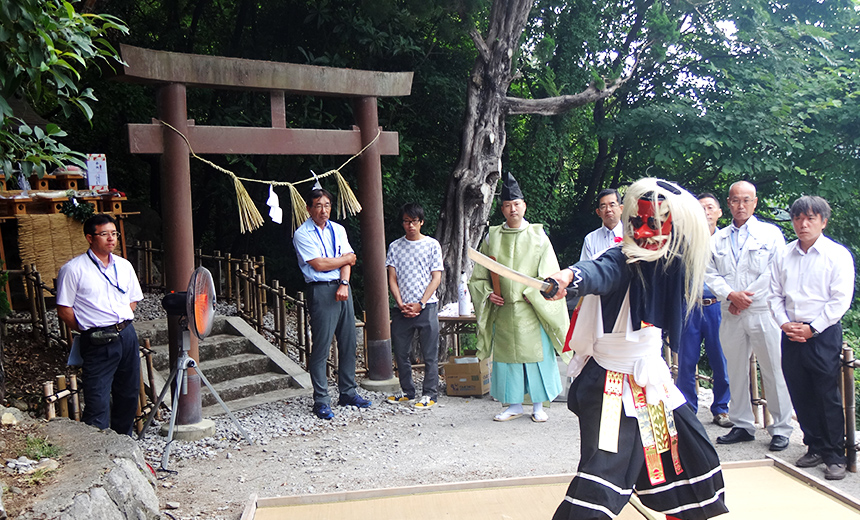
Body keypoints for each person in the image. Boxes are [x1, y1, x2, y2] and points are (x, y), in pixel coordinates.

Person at [546, 178, 727, 520]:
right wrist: (570, 278)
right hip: (610, 384)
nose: (644, 230)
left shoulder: (672, 259)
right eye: (637, 222)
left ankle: (682, 512)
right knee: (606, 467)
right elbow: (598, 270)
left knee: (686, 447)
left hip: (650, 380)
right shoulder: (621, 257)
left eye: (655, 223)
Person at [468, 172, 570, 423]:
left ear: (524, 206)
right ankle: (513, 405)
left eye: (516, 204)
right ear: (501, 209)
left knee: (536, 357)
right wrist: (489, 294)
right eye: (507, 205)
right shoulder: (492, 237)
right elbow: (478, 277)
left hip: (531, 308)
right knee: (506, 359)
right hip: (503, 310)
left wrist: (536, 293)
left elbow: (550, 276)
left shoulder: (538, 236)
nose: (512, 209)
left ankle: (538, 405)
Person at [769, 195, 855, 480]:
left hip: (822, 332)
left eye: (810, 218)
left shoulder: (837, 254)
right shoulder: (784, 254)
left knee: (826, 393)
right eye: (797, 218)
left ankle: (834, 454)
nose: (803, 224)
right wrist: (784, 324)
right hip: (790, 330)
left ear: (823, 221)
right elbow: (773, 294)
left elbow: (840, 299)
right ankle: (814, 444)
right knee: (799, 390)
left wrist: (813, 328)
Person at [704, 180, 793, 451]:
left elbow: (774, 272)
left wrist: (743, 298)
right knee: (735, 368)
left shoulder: (770, 234)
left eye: (746, 200)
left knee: (773, 368)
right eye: (735, 200)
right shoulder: (716, 239)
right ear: (728, 203)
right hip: (729, 310)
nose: (740, 205)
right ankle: (742, 423)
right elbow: (708, 272)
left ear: (755, 202)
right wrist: (731, 295)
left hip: (762, 310)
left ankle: (780, 427)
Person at [56, 214, 143, 436]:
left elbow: (132, 300)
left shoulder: (124, 266)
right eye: (104, 234)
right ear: (90, 237)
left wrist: (120, 321)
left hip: (126, 334)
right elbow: (65, 310)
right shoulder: (74, 269)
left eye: (114, 234)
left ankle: (125, 444)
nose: (111, 239)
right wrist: (89, 328)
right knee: (97, 397)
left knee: (128, 393)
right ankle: (99, 454)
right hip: (97, 339)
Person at [293, 185, 371, 420]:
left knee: (348, 343)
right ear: (308, 208)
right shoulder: (302, 233)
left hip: (341, 288)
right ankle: (321, 400)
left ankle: (347, 392)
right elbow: (318, 264)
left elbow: (349, 261)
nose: (323, 210)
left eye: (327, 205)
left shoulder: (338, 229)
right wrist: (343, 260)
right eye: (318, 205)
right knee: (321, 346)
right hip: (320, 290)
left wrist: (345, 284)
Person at [675, 193, 732, 428]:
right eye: (701, 208)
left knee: (721, 358)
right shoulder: (685, 241)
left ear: (719, 212)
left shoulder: (728, 241)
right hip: (690, 305)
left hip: (717, 305)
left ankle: (721, 408)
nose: (706, 212)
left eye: (710, 207)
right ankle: (688, 408)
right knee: (686, 360)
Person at [385, 203, 444, 409]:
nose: (410, 225)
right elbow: (392, 278)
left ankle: (430, 393)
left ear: (422, 222)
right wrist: (400, 303)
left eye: (414, 221)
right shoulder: (394, 246)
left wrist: (421, 303)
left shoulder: (432, 245)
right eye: (406, 221)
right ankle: (407, 391)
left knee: (430, 353)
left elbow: (436, 277)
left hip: (426, 306)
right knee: (401, 352)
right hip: (402, 308)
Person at [580, 188, 624, 261]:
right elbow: (585, 269)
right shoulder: (590, 239)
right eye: (603, 206)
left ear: (621, 209)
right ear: (598, 212)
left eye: (612, 205)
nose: (608, 210)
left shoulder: (631, 235)